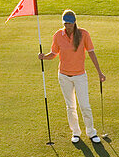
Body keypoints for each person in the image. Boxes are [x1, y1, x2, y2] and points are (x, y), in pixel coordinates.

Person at [39, 9, 106, 144]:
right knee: (70, 106)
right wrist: (44, 57)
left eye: (69, 23)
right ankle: (75, 132)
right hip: (64, 76)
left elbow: (91, 53)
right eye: (65, 23)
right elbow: (54, 54)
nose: (67, 26)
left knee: (85, 105)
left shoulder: (83, 34)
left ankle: (91, 132)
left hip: (80, 76)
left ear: (74, 22)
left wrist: (99, 72)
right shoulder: (58, 35)